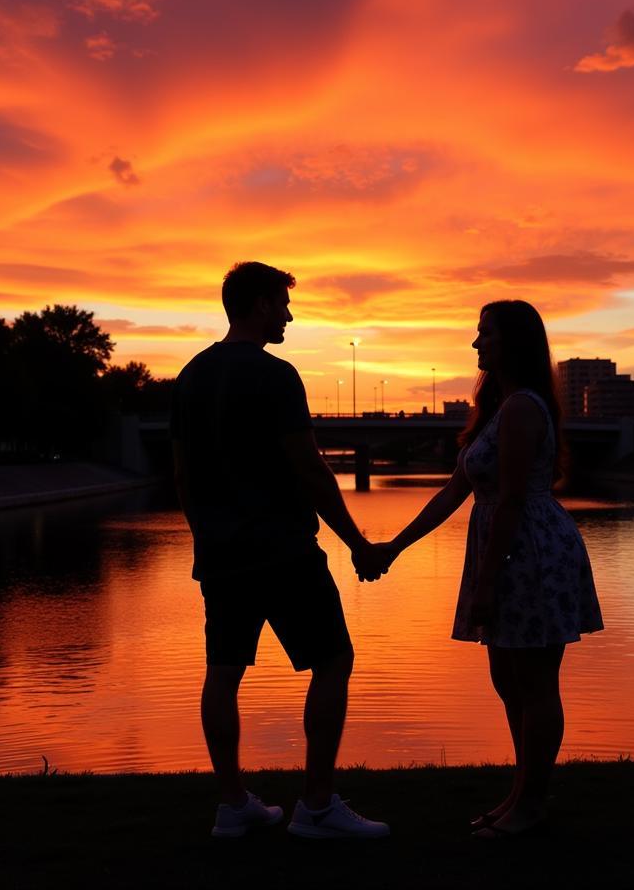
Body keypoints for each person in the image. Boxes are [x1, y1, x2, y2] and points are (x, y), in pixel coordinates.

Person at [171, 261, 390, 840]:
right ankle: (316, 806)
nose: (289, 315)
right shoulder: (276, 376)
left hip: (220, 555)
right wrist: (358, 544)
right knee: (333, 661)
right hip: (282, 549)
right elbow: (311, 471)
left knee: (222, 672)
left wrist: (205, 533)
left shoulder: (190, 377)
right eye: (283, 304)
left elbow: (183, 476)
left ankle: (233, 805)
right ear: (261, 304)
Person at [377, 300, 603, 839]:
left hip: (528, 552)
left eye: (485, 334)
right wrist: (393, 547)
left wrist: (485, 582)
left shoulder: (523, 408)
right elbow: (456, 491)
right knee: (508, 679)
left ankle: (531, 804)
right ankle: (522, 794)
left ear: (512, 342)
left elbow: (511, 500)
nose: (477, 344)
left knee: (535, 681)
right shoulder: (501, 408)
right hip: (507, 548)